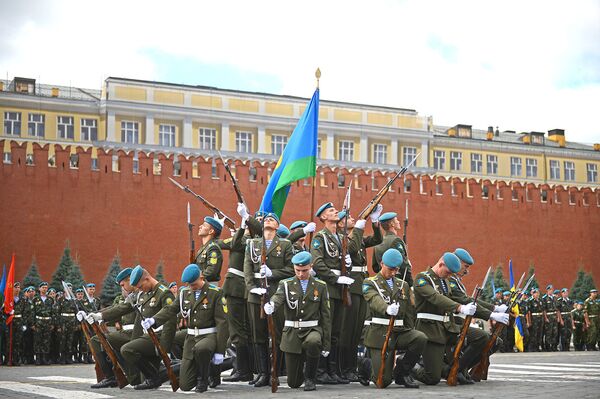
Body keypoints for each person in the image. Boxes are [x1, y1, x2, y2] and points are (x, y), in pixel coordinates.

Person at [88, 265, 176, 390]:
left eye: (123, 284)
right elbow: (122, 307)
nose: (123, 288)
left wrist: (164, 348)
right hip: (141, 336)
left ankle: (177, 368)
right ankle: (119, 377)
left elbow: (170, 321)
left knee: (129, 352)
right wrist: (99, 315)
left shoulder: (163, 293)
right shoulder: (142, 294)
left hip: (155, 337)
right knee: (137, 379)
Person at [146, 263, 228, 392]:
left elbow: (222, 323)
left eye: (193, 284)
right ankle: (208, 368)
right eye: (189, 284)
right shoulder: (184, 292)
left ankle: (204, 378)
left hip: (209, 335)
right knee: (185, 385)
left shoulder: (215, 293)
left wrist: (220, 351)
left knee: (202, 349)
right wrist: (154, 320)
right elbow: (171, 309)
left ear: (201, 277)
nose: (191, 287)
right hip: (191, 337)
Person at [264, 251, 331, 391]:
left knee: (314, 342)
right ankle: (301, 368)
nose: (301, 274)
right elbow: (278, 297)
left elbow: (326, 316)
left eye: (304, 270)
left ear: (311, 266)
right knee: (293, 383)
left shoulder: (320, 286)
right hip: (292, 333)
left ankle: (310, 378)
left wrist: (326, 344)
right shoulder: (286, 284)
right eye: (297, 270)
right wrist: (272, 305)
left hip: (312, 329)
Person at [362, 248, 426, 388]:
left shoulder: (403, 285)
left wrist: (410, 330)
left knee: (419, 338)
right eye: (390, 269)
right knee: (382, 382)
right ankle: (365, 364)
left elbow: (409, 312)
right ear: (381, 263)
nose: (393, 273)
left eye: (396, 270)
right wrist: (387, 309)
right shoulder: (370, 283)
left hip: (399, 332)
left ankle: (402, 372)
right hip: (380, 333)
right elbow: (374, 300)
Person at [244, 211, 294, 387]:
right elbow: (248, 270)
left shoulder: (285, 244)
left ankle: (275, 372)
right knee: (258, 335)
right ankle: (263, 373)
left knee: (276, 333)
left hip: (275, 292)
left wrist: (273, 274)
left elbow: (291, 269)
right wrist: (252, 288)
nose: (268, 220)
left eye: (273, 219)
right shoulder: (252, 244)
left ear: (278, 227)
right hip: (256, 293)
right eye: (266, 219)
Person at [412, 252, 477, 386]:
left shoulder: (445, 281)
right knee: (432, 378)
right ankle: (409, 365)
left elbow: (457, 298)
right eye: (447, 272)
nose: (449, 276)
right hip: (429, 329)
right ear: (441, 264)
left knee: (477, 338)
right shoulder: (422, 278)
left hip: (446, 327)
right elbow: (436, 298)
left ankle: (454, 370)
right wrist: (460, 308)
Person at [448, 248, 508, 384]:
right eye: (465, 266)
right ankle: (456, 369)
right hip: (451, 321)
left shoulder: (456, 281)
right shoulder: (450, 281)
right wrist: (492, 314)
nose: (466, 270)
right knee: (483, 337)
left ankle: (463, 368)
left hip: (458, 320)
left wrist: (495, 308)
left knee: (495, 341)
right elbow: (465, 300)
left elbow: (470, 299)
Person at [337, 205, 382, 382]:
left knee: (356, 330)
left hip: (361, 284)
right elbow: (353, 248)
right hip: (350, 285)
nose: (352, 218)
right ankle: (343, 368)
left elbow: (377, 239)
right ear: (340, 225)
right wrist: (359, 227)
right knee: (347, 330)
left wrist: (375, 221)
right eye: (346, 218)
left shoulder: (357, 237)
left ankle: (351, 367)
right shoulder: (342, 238)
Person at [310, 202, 354, 384]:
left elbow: (341, 263)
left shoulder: (340, 237)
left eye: (335, 209)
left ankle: (332, 370)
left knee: (336, 330)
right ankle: (320, 371)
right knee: (326, 330)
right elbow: (318, 263)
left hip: (340, 289)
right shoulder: (320, 238)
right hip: (328, 288)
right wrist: (335, 278)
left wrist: (348, 266)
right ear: (323, 218)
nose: (335, 211)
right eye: (330, 211)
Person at [79, 267, 139, 388]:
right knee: (106, 343)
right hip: (127, 331)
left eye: (123, 285)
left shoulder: (137, 294)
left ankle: (110, 377)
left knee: (96, 340)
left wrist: (100, 315)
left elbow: (121, 309)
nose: (123, 288)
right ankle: (126, 375)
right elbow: (114, 308)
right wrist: (91, 314)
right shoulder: (132, 295)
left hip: (135, 332)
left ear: (130, 280)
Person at [372, 212, 412, 285]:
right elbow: (404, 265)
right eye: (396, 220)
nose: (398, 221)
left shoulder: (378, 241)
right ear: (392, 224)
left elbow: (375, 267)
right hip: (396, 281)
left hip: (381, 282)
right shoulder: (396, 241)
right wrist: (410, 283)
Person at [194, 216, 225, 285]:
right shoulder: (204, 248)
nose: (200, 226)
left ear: (211, 231)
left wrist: (196, 279)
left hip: (208, 287)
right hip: (201, 285)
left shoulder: (213, 248)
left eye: (204, 225)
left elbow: (211, 271)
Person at [33, 281, 54, 365]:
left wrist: (52, 323)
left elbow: (53, 312)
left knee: (46, 340)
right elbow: (32, 312)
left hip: (48, 321)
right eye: (43, 287)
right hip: (38, 321)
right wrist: (33, 324)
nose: (44, 289)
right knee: (37, 340)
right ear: (39, 289)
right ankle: (38, 358)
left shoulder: (50, 299)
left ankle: (45, 358)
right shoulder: (35, 299)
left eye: (46, 288)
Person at [542, 284, 562, 351]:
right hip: (549, 316)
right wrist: (545, 318)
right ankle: (548, 347)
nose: (551, 291)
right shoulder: (544, 298)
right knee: (548, 333)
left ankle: (554, 346)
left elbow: (557, 309)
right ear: (547, 290)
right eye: (550, 289)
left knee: (555, 332)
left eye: (552, 290)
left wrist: (558, 317)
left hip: (554, 316)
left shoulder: (555, 298)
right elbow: (544, 309)